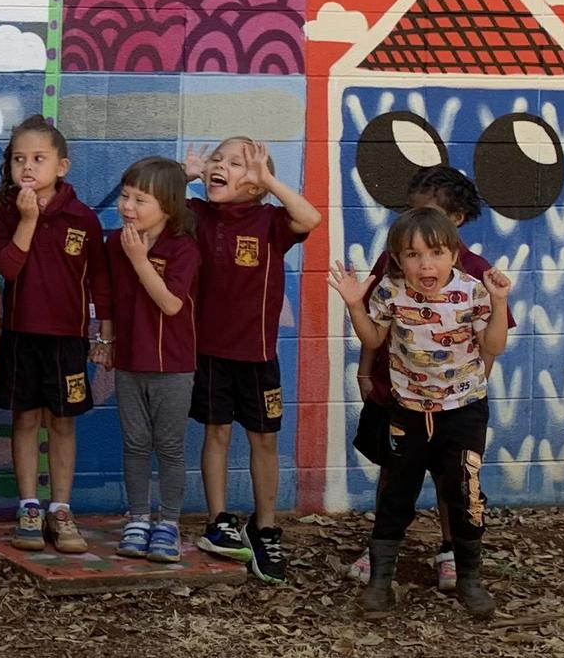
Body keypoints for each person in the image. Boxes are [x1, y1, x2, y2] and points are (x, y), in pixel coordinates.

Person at [328, 208, 512, 620]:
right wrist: (356, 306)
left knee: (465, 493)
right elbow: (374, 336)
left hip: (462, 411)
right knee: (396, 493)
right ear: (397, 258)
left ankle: (469, 578)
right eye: (412, 255)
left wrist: (500, 302)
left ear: (453, 255)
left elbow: (494, 347)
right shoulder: (391, 291)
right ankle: (380, 582)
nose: (425, 264)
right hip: (407, 410)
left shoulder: (473, 290)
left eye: (436, 253)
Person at [180, 138, 320, 583]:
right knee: (215, 432)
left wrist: (270, 181)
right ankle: (218, 521)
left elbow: (310, 217)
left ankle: (265, 528)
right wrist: (185, 175)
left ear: (256, 184)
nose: (220, 166)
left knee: (263, 440)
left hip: (258, 356)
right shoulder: (196, 215)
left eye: (236, 164)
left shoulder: (270, 221)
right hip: (208, 353)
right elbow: (151, 195)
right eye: (216, 160)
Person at [0, 115, 111, 553]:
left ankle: (60, 508)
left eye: (38, 158)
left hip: (68, 340)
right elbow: (6, 269)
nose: (27, 167)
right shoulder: (4, 214)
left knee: (62, 423)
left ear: (62, 166)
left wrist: (105, 338)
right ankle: (29, 508)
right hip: (21, 335)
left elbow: (101, 281)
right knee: (24, 420)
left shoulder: (83, 219)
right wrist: (26, 220)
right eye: (19, 158)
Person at [101, 158, 200, 564]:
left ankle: (169, 522)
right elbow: (105, 294)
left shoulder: (184, 248)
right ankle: (138, 517)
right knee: (136, 444)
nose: (128, 206)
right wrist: (104, 339)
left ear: (169, 206)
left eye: (141, 199)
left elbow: (172, 304)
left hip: (174, 365)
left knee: (170, 447)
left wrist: (141, 261)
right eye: (125, 196)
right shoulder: (116, 243)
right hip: (129, 361)